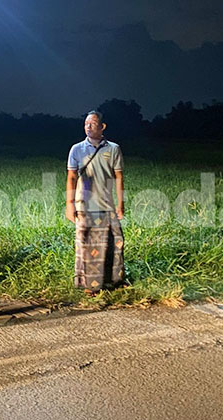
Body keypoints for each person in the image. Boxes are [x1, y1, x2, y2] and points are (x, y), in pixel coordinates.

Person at [65, 110, 125, 296]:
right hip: (84, 205)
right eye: (85, 124)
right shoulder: (76, 149)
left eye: (92, 123)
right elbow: (71, 177)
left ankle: (114, 280)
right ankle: (89, 285)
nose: (88, 127)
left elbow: (119, 177)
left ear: (102, 126)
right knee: (87, 245)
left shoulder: (113, 149)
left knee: (115, 242)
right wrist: (69, 204)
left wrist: (121, 203)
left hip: (106, 204)